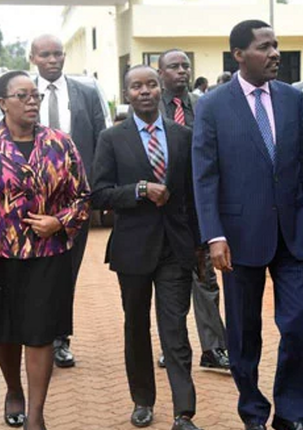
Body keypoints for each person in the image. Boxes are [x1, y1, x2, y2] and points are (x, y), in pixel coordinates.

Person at [193, 20, 303, 430]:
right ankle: (252, 410)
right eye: (264, 47)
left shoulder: (291, 99)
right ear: (239, 56)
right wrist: (214, 235)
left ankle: (291, 413)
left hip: (292, 233)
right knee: (244, 336)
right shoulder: (212, 105)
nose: (275, 54)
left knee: (299, 319)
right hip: (238, 238)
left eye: (276, 45)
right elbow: (205, 175)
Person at [0, 70, 90, 430]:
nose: (32, 101)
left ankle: (35, 413)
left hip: (48, 255)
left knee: (41, 332)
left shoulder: (61, 143)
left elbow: (82, 197)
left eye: (36, 96)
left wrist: (60, 221)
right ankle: (13, 389)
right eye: (23, 96)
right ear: (2, 102)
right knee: (6, 331)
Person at [90, 65, 201, 430]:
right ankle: (142, 400)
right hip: (133, 249)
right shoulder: (112, 138)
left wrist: (200, 246)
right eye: (136, 86)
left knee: (175, 328)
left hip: (175, 247)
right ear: (127, 94)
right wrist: (139, 190)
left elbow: (194, 194)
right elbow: (99, 194)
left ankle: (184, 411)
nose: (144, 91)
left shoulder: (183, 135)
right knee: (136, 327)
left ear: (161, 89)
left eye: (150, 84)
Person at [30, 34, 107, 368]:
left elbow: (102, 144)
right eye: (45, 55)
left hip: (75, 202)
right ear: (32, 58)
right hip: (30, 203)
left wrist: (98, 191)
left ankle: (61, 339)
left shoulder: (87, 94)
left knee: (66, 272)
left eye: (57, 54)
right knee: (33, 273)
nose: (53, 60)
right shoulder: (23, 94)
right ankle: (34, 335)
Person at [155, 49, 229, 372]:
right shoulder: (150, 109)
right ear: (161, 73)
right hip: (163, 211)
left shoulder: (203, 106)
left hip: (200, 209)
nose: (181, 71)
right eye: (174, 66)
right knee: (170, 284)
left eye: (186, 65)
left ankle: (213, 348)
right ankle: (172, 346)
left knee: (206, 279)